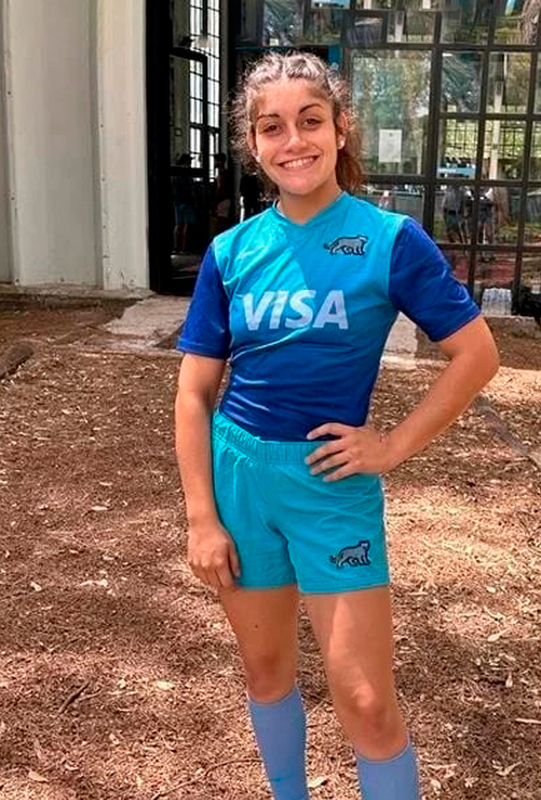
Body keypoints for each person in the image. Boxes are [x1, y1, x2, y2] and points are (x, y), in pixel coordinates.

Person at [174, 51, 499, 800]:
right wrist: (201, 517)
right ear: (253, 145)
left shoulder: (389, 240)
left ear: (341, 129)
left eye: (311, 121)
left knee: (366, 702)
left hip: (330, 486)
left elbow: (477, 354)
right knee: (266, 672)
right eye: (272, 127)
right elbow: (194, 393)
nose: (294, 141)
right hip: (240, 479)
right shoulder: (231, 253)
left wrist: (392, 446)